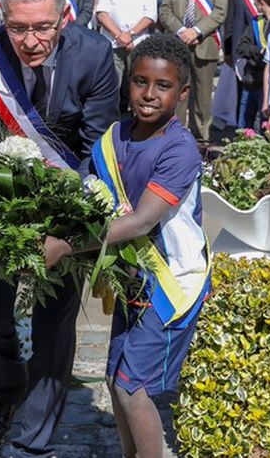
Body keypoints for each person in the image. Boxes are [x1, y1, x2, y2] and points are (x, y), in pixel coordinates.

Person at [0, 0, 118, 458]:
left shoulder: (94, 55)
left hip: (69, 207)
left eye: (42, 27)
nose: (30, 41)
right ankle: (7, 390)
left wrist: (70, 215)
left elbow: (98, 148)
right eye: (18, 28)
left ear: (63, 17)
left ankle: (30, 440)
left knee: (54, 323)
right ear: (2, 19)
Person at [51, 34, 208, 458]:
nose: (149, 95)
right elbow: (89, 189)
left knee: (132, 384)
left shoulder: (180, 149)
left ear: (183, 92)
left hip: (171, 281)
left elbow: (141, 221)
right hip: (131, 277)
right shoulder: (115, 135)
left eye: (163, 86)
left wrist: (66, 245)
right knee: (114, 377)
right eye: (140, 82)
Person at [159, 0, 227, 143]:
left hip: (204, 45)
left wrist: (196, 31)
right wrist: (181, 31)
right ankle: (176, 136)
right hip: (178, 45)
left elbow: (220, 12)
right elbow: (165, 11)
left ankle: (202, 139)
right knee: (178, 94)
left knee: (203, 97)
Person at [96, 0, 158, 110]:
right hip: (112, 42)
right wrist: (119, 35)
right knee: (112, 88)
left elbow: (150, 15)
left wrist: (130, 35)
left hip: (137, 43)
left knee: (136, 86)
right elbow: (101, 12)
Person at [236, 0, 270, 129]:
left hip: (267, 83)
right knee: (243, 127)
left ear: (261, 2)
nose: (255, 5)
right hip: (250, 80)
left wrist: (259, 54)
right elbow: (241, 47)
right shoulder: (256, 22)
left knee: (265, 126)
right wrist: (259, 52)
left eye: (255, 2)